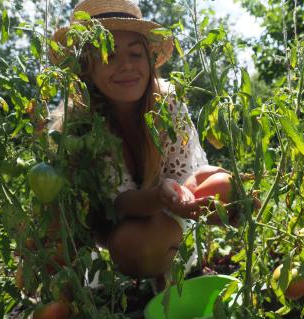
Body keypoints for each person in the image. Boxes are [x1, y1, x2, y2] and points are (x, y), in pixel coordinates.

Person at [49, 0, 232, 280]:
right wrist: (161, 196)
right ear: (86, 67)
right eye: (109, 55)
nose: (126, 66)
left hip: (166, 215)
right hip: (115, 226)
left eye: (135, 54)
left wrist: (196, 193)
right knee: (136, 247)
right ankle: (114, 278)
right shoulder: (82, 122)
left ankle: (172, 270)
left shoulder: (167, 103)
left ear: (149, 61)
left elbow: (186, 175)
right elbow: (118, 203)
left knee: (229, 185)